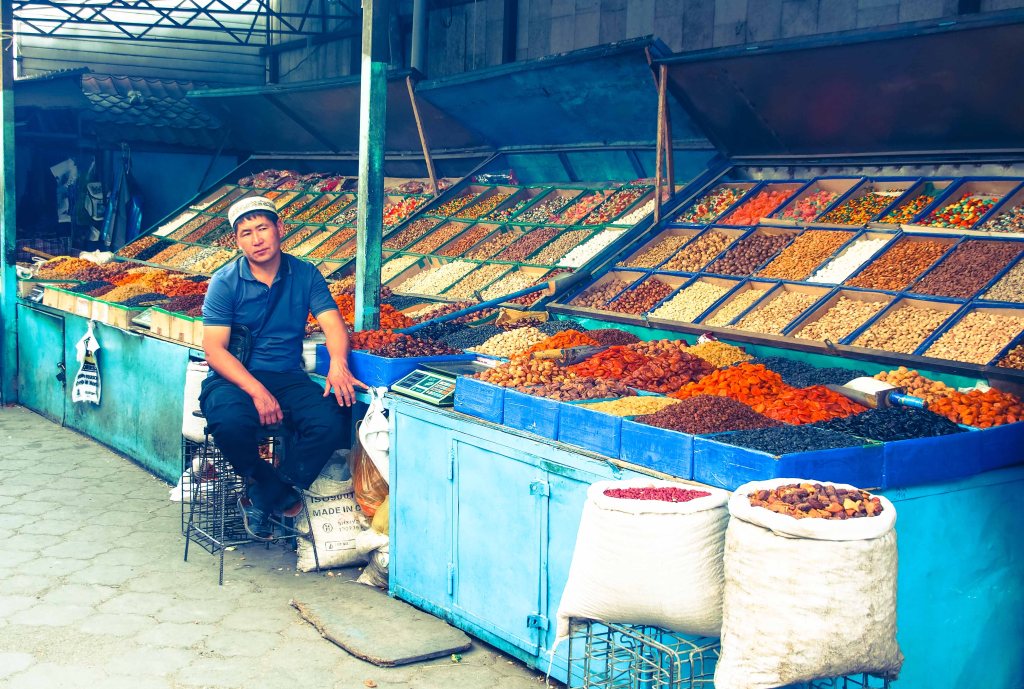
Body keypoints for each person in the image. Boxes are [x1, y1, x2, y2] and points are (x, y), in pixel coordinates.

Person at [199, 195, 365, 540]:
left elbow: (333, 325)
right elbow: (214, 350)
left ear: (280, 229)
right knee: (229, 422)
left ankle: (261, 496)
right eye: (246, 233)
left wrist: (338, 363)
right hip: (234, 375)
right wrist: (257, 392)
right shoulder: (225, 281)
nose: (256, 239)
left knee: (330, 421)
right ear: (237, 240)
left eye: (262, 228)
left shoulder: (304, 273)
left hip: (287, 376)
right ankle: (270, 486)